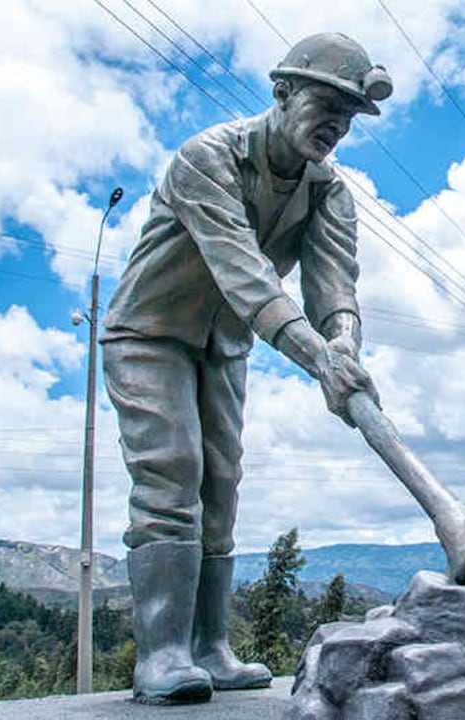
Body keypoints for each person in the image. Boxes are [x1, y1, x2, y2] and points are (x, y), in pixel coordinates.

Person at [101, 33, 392, 705]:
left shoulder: (329, 194)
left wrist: (343, 343)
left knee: (221, 487)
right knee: (173, 471)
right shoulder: (207, 158)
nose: (337, 127)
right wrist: (315, 357)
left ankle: (209, 647)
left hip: (226, 345)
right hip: (151, 334)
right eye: (327, 105)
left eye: (348, 120)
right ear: (284, 93)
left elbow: (334, 290)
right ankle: (163, 653)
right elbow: (246, 276)